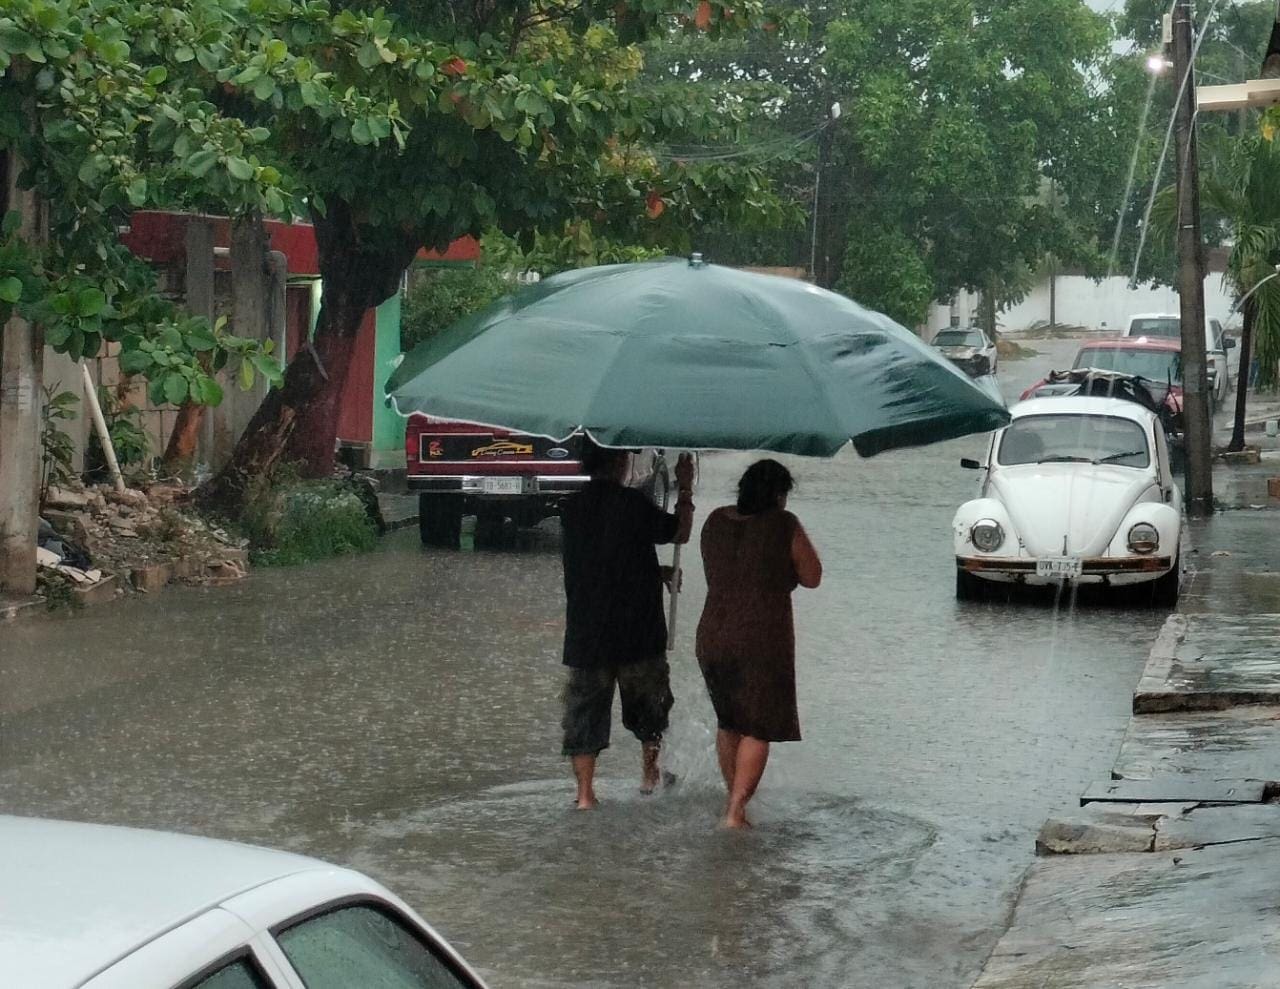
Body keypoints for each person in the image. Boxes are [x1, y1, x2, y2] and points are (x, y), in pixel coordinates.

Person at [560, 442, 696, 810]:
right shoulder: (633, 505)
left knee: (584, 717)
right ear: (620, 461)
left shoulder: (570, 509)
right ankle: (650, 777)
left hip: (588, 635)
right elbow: (679, 531)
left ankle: (586, 795)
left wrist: (656, 572)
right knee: (650, 711)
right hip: (637, 631)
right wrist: (685, 487)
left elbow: (601, 562)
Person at [696, 459, 822, 829]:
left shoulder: (715, 520)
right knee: (758, 725)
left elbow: (722, 569)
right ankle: (735, 812)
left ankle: (734, 803)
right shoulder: (784, 524)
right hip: (761, 636)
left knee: (729, 722)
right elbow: (812, 576)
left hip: (712, 634)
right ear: (779, 494)